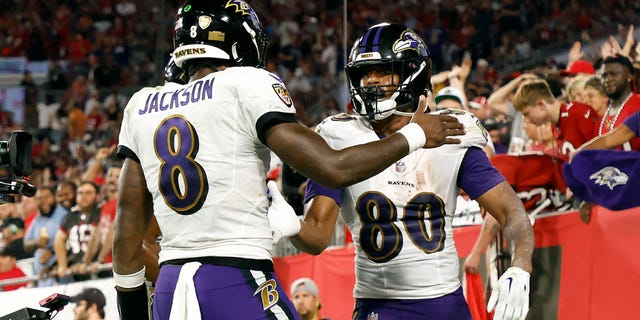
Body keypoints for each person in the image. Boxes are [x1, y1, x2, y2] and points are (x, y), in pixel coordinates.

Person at [112, 2, 465, 320]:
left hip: (171, 285)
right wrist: (416, 134)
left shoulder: (142, 104)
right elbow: (333, 168)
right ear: (240, 42)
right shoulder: (245, 82)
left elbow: (126, 237)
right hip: (234, 275)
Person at [270, 23, 534, 320]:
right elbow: (317, 237)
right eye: (364, 73)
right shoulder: (339, 136)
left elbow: (512, 213)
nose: (370, 81)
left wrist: (520, 266)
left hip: (444, 304)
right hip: (378, 306)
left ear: (413, 72)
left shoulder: (451, 133)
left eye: (382, 71)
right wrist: (294, 227)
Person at [512, 78, 598, 160]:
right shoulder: (555, 125)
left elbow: (600, 151)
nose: (527, 119)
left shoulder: (578, 113)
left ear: (541, 104)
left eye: (527, 114)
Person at [23, 186, 69, 286]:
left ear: (54, 197)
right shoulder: (38, 219)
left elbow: (70, 240)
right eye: (39, 198)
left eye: (47, 197)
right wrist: (37, 242)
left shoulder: (64, 214)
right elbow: (26, 244)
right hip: (42, 279)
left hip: (60, 276)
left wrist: (52, 252)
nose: (43, 201)